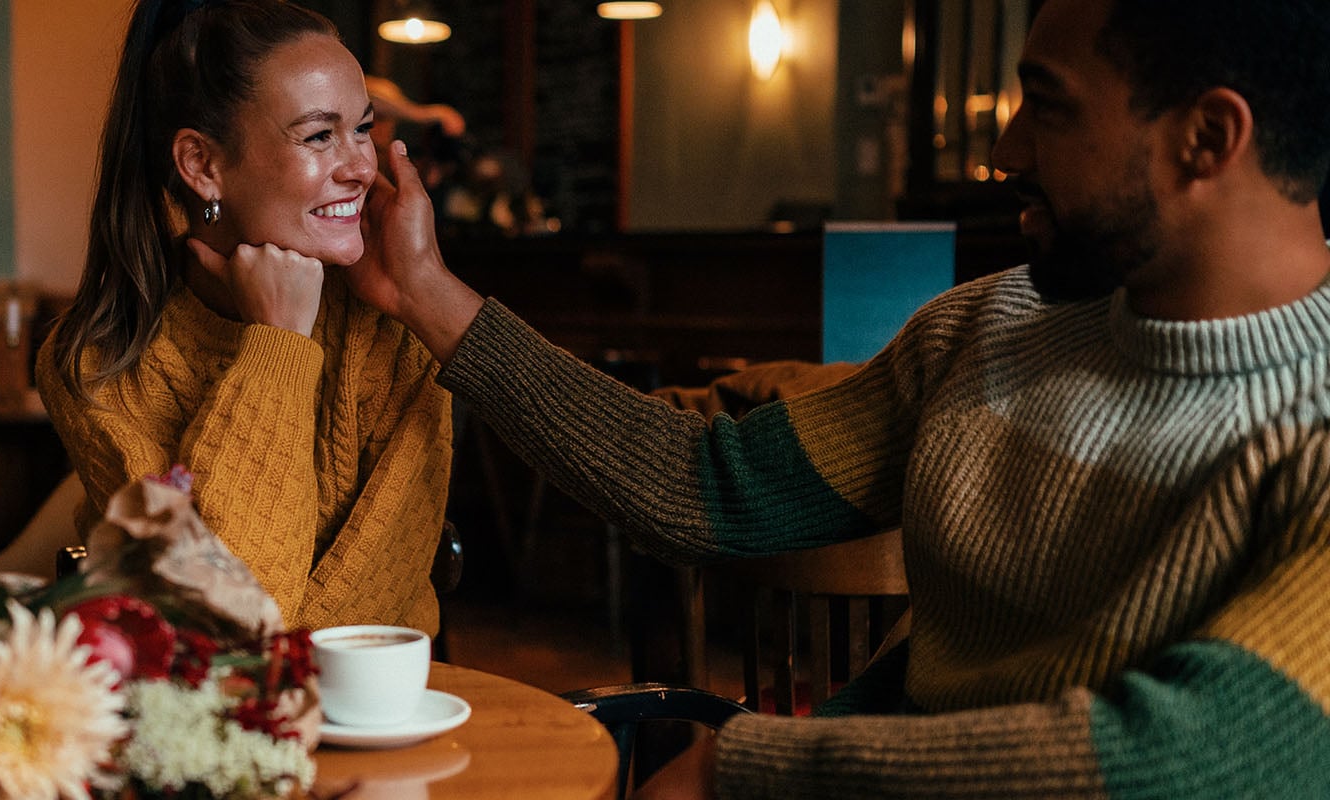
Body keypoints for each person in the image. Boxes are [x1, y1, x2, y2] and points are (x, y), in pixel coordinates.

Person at [346, 0, 1330, 795]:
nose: (1005, 149)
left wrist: (748, 769)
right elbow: (707, 484)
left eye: (1049, 105)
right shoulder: (988, 326)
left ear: (1207, 137)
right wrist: (426, 293)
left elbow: (1187, 759)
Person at [40, 0, 453, 635]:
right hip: (202, 697)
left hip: (385, 693)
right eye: (319, 136)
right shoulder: (97, 361)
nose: (361, 167)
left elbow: (373, 613)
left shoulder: (392, 327)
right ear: (202, 165)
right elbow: (224, 620)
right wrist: (277, 346)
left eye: (363, 128)